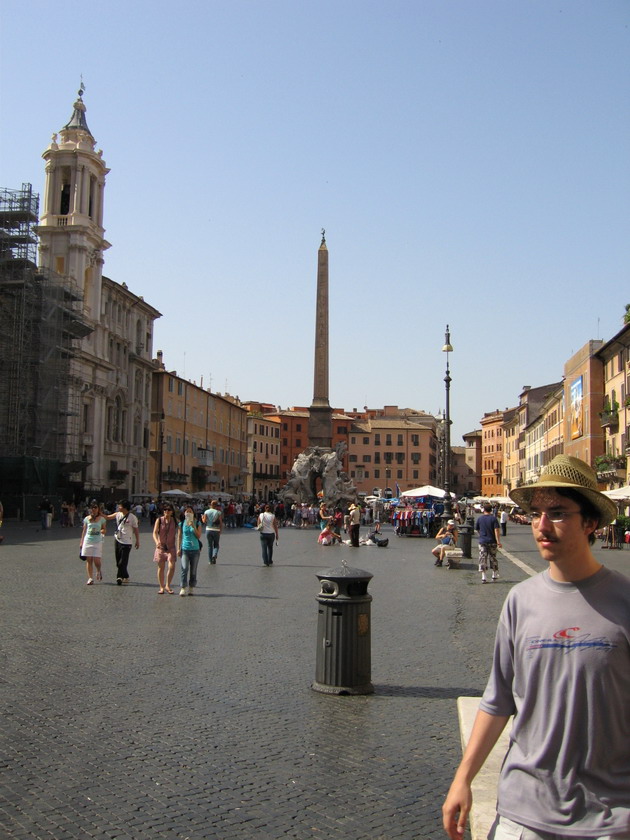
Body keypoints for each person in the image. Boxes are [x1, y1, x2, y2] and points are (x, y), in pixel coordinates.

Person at [442, 454, 630, 840]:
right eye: (537, 513)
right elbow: (497, 701)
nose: (542, 525)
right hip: (521, 815)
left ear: (590, 522)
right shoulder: (519, 600)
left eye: (558, 513)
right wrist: (463, 779)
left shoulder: (625, 601)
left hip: (608, 817)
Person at [105, 499, 140, 585]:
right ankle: (125, 576)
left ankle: (119, 577)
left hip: (127, 542)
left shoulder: (132, 517)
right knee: (118, 561)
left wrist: (137, 541)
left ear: (124, 507)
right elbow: (108, 517)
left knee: (122, 561)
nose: (118, 507)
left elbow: (136, 530)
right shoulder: (118, 514)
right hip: (118, 539)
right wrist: (98, 513)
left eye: (120, 506)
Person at [79, 499, 107, 585]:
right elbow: (84, 531)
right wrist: (81, 542)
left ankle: (98, 570)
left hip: (97, 541)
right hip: (88, 540)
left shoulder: (102, 519)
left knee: (97, 560)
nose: (93, 509)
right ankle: (90, 578)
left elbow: (104, 529)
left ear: (98, 509)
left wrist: (102, 531)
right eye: (92, 508)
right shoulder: (87, 519)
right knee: (89, 560)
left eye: (95, 507)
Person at [177, 504, 202, 595]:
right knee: (184, 568)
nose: (188, 513)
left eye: (190, 511)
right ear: (184, 513)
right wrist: (178, 548)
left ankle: (191, 587)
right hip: (185, 549)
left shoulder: (197, 523)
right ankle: (183, 587)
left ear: (193, 513)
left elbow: (198, 535)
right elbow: (179, 536)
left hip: (195, 550)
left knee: (193, 570)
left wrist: (193, 526)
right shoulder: (181, 523)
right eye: (187, 511)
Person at [152, 503, 178, 593]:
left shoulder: (175, 520)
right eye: (165, 510)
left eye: (168, 510)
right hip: (161, 547)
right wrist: (156, 541)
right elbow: (155, 532)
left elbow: (181, 531)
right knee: (161, 567)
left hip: (171, 547)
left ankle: (168, 585)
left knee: (171, 566)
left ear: (172, 512)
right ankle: (161, 587)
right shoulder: (159, 520)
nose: (166, 512)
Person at [475, 503, 502, 583]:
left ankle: (484, 576)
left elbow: (477, 529)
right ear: (491, 510)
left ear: (484, 510)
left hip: (483, 541)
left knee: (482, 558)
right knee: (493, 557)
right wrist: (498, 542)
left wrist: (481, 535)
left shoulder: (480, 519)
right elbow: (496, 530)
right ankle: (494, 574)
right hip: (492, 541)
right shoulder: (494, 519)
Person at [202, 499, 223, 564]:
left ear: (210, 505)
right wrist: (220, 530)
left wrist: (202, 518)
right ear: (216, 505)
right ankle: (214, 555)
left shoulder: (206, 512)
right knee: (216, 545)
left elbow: (204, 521)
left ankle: (210, 561)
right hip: (216, 530)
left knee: (209, 546)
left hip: (208, 529)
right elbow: (220, 523)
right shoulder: (218, 512)